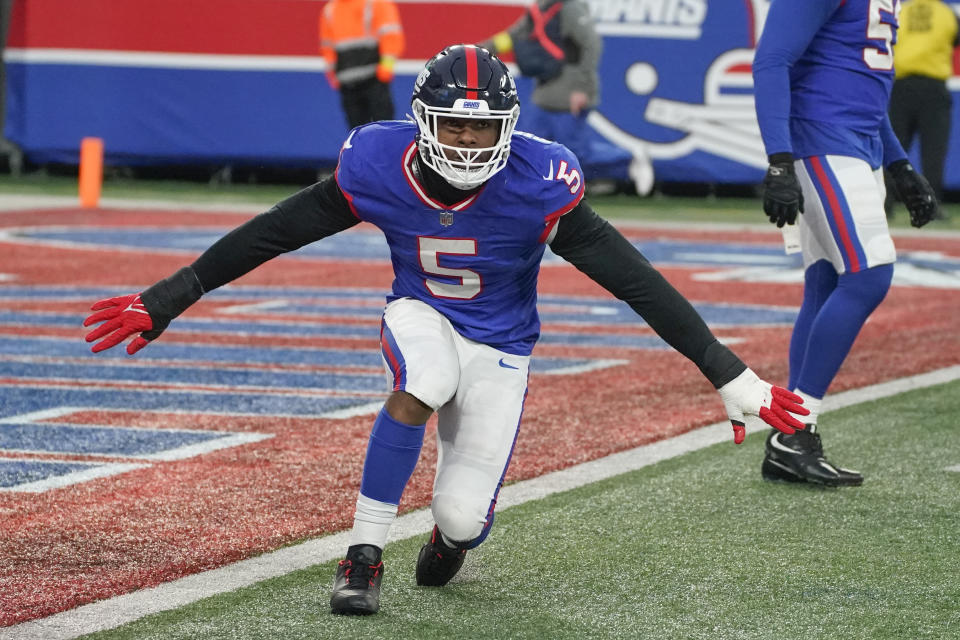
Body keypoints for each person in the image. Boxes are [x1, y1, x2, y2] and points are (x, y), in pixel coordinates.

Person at [84, 45, 806, 616]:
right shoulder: (377, 162)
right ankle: (363, 556)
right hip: (421, 312)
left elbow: (633, 279)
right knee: (424, 379)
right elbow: (278, 230)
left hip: (502, 344)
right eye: (454, 124)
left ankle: (446, 537)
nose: (465, 141)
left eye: (482, 127)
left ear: (509, 127)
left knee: (462, 520)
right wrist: (173, 294)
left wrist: (727, 371)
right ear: (424, 122)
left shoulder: (540, 179)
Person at [752, 0, 938, 487]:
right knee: (870, 273)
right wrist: (778, 160)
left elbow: (859, 84)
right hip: (824, 139)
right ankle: (794, 432)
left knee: (826, 283)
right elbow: (771, 61)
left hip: (859, 144)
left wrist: (899, 165)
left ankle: (791, 435)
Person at [480, 0, 654, 196]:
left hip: (569, 93)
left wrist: (581, 88)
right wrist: (481, 52)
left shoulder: (571, 7)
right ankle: (525, 196)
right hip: (545, 92)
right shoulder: (540, 8)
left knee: (577, 155)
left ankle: (630, 158)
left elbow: (591, 45)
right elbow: (512, 36)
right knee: (526, 150)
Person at [887, 0, 959, 215]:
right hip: (933, 86)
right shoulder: (946, 13)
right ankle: (931, 204)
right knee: (934, 150)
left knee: (894, 147)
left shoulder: (901, 10)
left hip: (902, 86)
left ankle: (885, 203)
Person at [319, 0, 404, 129]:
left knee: (383, 129)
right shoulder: (330, 10)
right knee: (356, 133)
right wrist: (332, 74)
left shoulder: (375, 4)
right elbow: (327, 45)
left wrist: (386, 67)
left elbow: (391, 36)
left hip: (374, 79)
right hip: (348, 84)